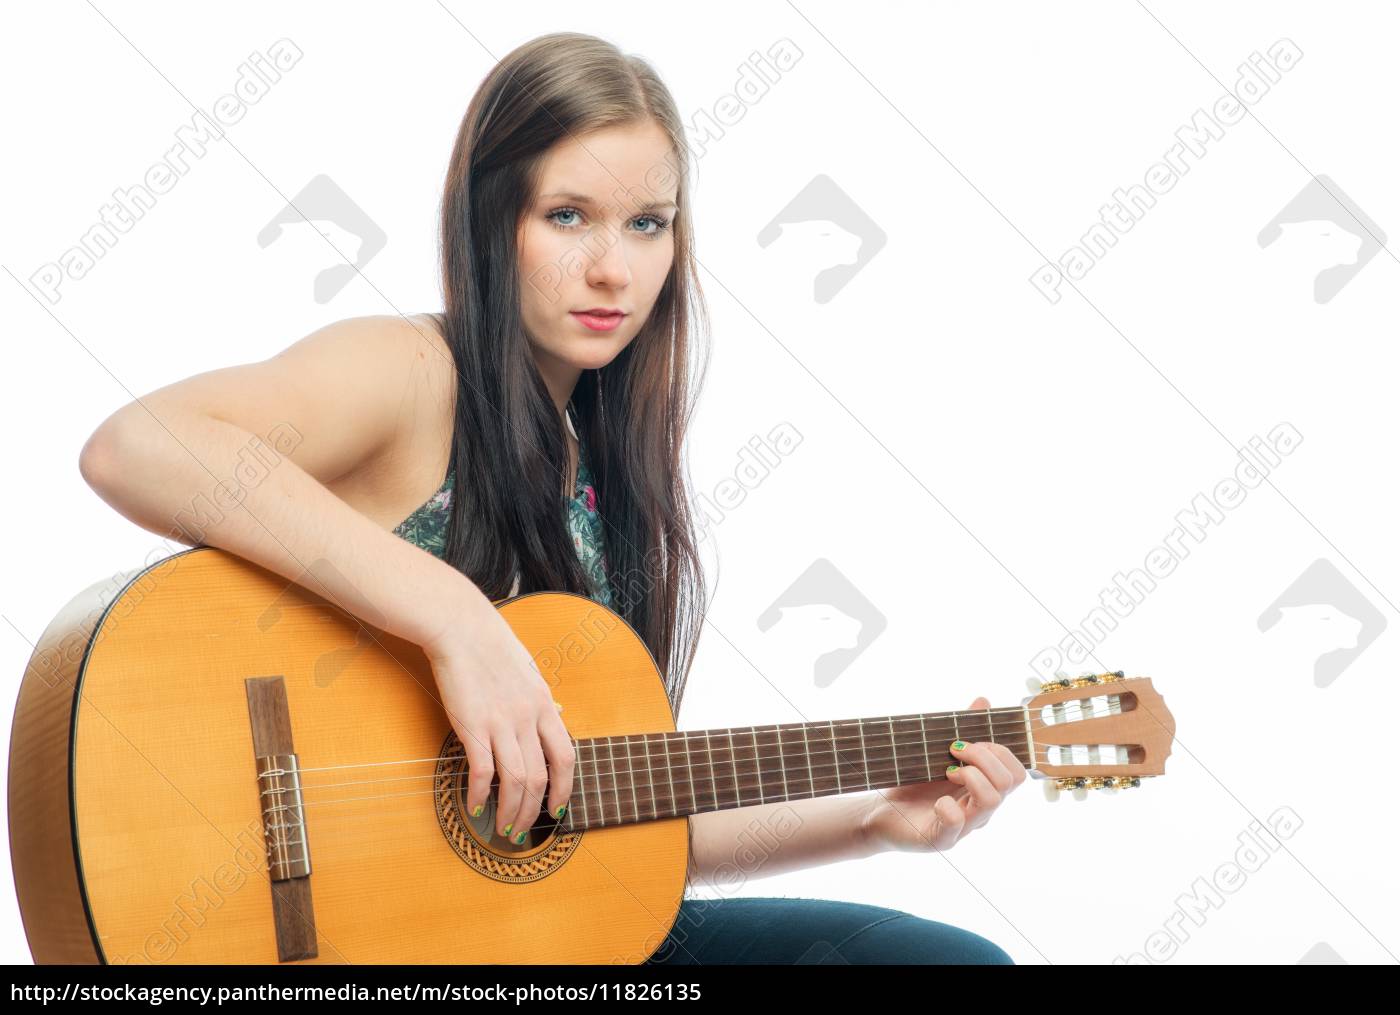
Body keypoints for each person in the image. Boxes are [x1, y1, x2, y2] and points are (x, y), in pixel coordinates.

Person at [78, 31, 1022, 965]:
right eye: (568, 215)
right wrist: (457, 620)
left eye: (647, 224)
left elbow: (594, 820)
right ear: (492, 220)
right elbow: (138, 445)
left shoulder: (605, 472)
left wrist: (869, 817)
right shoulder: (413, 374)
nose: (614, 268)